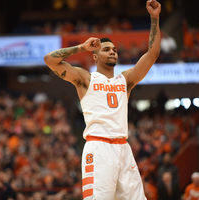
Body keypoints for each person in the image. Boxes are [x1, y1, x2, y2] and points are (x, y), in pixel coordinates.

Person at [43, 0, 161, 198]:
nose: (112, 51)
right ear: (95, 57)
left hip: (123, 147)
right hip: (99, 148)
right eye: (106, 49)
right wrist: (81, 47)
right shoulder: (86, 78)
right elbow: (49, 60)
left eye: (114, 49)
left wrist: (155, 17)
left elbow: (152, 54)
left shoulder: (125, 79)